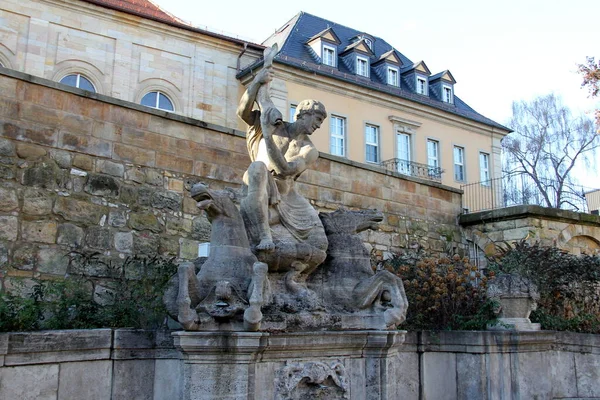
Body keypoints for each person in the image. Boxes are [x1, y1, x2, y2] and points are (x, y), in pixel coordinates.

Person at [237, 65, 328, 292]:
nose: (318, 126)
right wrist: (257, 82)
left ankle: (295, 279)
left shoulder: (309, 149)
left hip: (288, 196)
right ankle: (264, 234)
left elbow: (285, 169)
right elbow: (243, 111)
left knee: (320, 242)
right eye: (316, 119)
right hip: (261, 185)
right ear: (302, 114)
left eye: (320, 122)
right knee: (258, 168)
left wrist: (268, 137)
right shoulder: (273, 122)